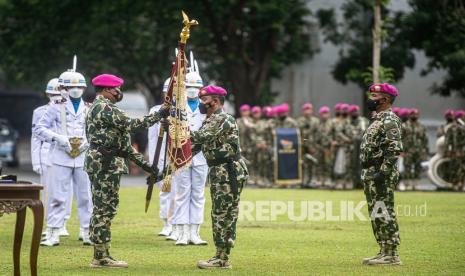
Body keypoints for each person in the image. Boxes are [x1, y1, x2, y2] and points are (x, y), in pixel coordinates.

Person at [85, 74, 170, 268]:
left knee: (107, 207)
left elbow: (125, 147)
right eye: (116, 89)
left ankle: (103, 253)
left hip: (107, 162)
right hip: (104, 164)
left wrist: (151, 168)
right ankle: (100, 257)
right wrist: (159, 114)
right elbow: (134, 125)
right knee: (103, 209)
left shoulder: (104, 108)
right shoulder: (104, 107)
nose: (118, 92)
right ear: (107, 90)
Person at [192, 85, 248, 269]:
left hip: (228, 171)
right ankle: (220, 256)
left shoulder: (223, 118)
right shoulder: (210, 119)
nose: (201, 103)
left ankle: (222, 259)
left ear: (215, 102)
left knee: (224, 214)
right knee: (219, 213)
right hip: (219, 171)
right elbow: (197, 146)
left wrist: (178, 130)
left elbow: (201, 137)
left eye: (204, 100)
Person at [36, 70, 93, 247]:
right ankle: (53, 231)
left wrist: (87, 142)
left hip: (83, 157)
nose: (75, 90)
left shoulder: (90, 107)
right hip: (60, 155)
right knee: (57, 196)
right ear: (64, 88)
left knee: (86, 196)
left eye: (78, 86)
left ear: (84, 88)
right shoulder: (55, 105)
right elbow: (40, 128)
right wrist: (58, 138)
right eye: (70, 86)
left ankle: (87, 231)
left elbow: (96, 131)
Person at [167, 62, 209, 246]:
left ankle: (195, 233)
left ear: (201, 89)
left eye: (196, 87)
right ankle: (182, 232)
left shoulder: (207, 107)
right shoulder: (175, 106)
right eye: (188, 86)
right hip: (180, 155)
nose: (192, 90)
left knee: (198, 194)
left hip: (201, 157)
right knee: (182, 194)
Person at [361, 83, 402, 265]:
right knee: (376, 213)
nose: (371, 99)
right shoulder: (377, 119)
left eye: (375, 96)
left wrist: (383, 173)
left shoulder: (389, 120)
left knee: (385, 212)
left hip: (380, 174)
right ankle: (384, 250)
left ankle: (392, 254)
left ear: (385, 99)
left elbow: (394, 149)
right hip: (371, 172)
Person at [148, 78, 172, 237]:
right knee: (165, 190)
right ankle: (166, 223)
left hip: (179, 156)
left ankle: (179, 224)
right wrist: (153, 163)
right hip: (162, 155)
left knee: (182, 193)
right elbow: (152, 138)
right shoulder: (156, 110)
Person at [403, 108, 428, 190]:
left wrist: (425, 150)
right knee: (407, 167)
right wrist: (400, 150)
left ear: (418, 115)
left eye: (416, 114)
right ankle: (407, 184)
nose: (414, 116)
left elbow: (425, 139)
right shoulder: (404, 125)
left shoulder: (422, 126)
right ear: (409, 115)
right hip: (407, 150)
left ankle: (416, 184)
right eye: (413, 114)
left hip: (419, 150)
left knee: (418, 167)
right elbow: (400, 138)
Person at [297, 103, 319, 187]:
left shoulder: (315, 121)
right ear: (303, 111)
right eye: (306, 110)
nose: (307, 111)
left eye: (309, 109)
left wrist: (314, 145)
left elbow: (318, 134)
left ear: (312, 110)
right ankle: (302, 181)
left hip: (312, 146)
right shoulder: (299, 121)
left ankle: (311, 181)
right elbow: (299, 134)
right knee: (302, 164)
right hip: (302, 146)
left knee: (312, 164)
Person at [250, 106, 269, 186]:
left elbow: (266, 133)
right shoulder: (250, 122)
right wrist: (257, 142)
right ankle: (254, 178)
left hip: (264, 146)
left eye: (258, 113)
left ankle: (263, 178)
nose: (256, 115)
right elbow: (251, 135)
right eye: (255, 113)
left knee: (263, 162)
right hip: (253, 146)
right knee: (254, 163)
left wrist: (264, 143)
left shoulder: (264, 122)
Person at [314, 106, 334, 187]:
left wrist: (332, 144)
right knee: (319, 163)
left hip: (328, 147)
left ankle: (328, 179)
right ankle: (319, 179)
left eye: (326, 113)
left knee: (328, 164)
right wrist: (314, 145)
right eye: (323, 113)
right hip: (318, 147)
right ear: (320, 114)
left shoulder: (332, 123)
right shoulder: (317, 123)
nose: (324, 115)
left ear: (328, 114)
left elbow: (334, 134)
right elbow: (312, 135)